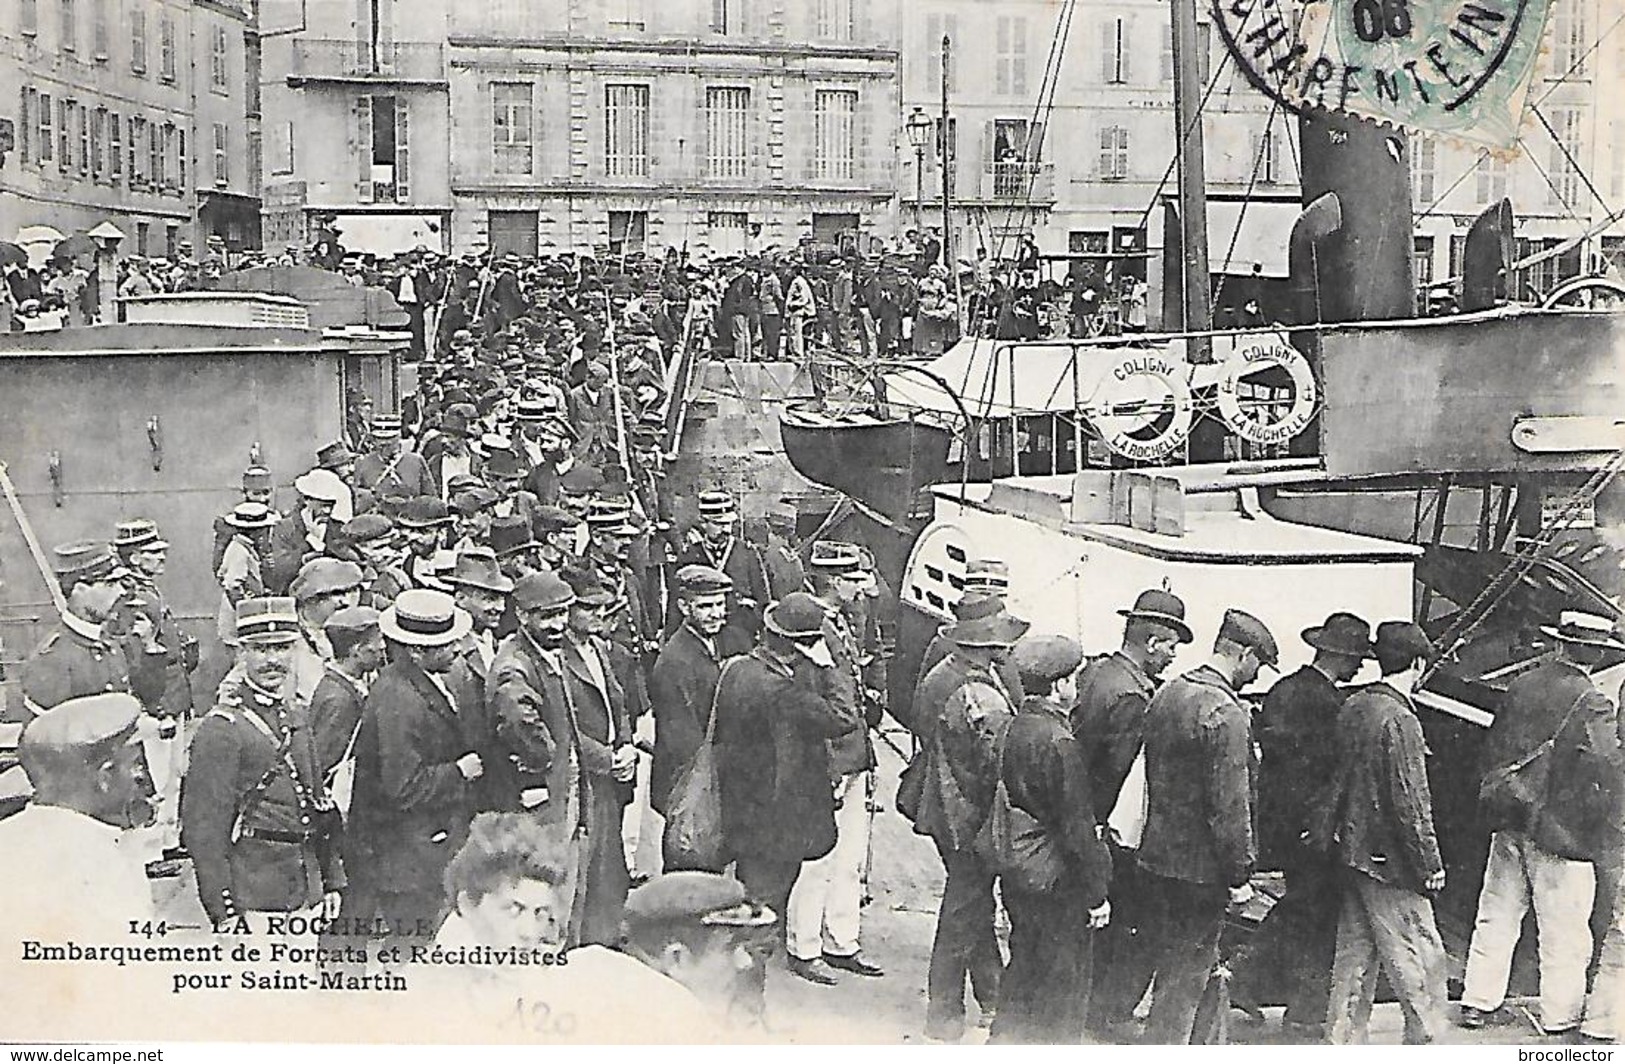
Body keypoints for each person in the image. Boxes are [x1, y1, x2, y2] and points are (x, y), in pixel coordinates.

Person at [1460, 610, 1625, 1036]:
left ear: (1561, 644)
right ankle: (1561, 1017)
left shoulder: (1521, 684)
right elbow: (1608, 763)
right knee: (1563, 928)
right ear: (1594, 651)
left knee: (1496, 912)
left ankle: (1478, 1001)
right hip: (1558, 829)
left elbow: (1496, 744)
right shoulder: (1592, 700)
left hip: (1509, 812)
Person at [1136, 608, 1277, 1045]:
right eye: (1258, 665)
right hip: (1201, 872)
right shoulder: (1227, 714)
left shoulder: (1169, 692)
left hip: (1158, 858)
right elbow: (1229, 808)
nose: (1256, 677)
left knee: (1176, 968)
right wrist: (1240, 877)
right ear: (1246, 655)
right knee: (1185, 979)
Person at [1234, 611, 1372, 1036]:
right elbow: (1326, 774)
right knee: (1316, 914)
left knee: (1303, 905)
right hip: (1314, 827)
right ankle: (1298, 1008)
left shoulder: (1283, 690)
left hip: (1282, 822)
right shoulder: (1329, 705)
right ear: (1341, 658)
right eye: (1355, 659)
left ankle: (1246, 981)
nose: (1358, 667)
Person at [1312, 620, 1449, 1044]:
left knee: (1356, 955)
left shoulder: (1355, 705)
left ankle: (1342, 1040)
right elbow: (1410, 802)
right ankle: (1428, 1039)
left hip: (1351, 852)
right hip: (1390, 862)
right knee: (1421, 955)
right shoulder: (1401, 720)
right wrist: (1430, 865)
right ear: (1419, 664)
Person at [181, 597, 344, 930]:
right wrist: (223, 907)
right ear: (241, 653)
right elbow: (205, 829)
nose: (273, 660)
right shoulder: (222, 728)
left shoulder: (296, 716)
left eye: (282, 648)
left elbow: (316, 804)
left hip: (305, 887)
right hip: (254, 892)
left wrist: (331, 880)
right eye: (260, 650)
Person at [911, 593, 1030, 1041]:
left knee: (973, 905)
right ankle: (942, 1014)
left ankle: (991, 993)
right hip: (969, 814)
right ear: (986, 642)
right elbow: (993, 761)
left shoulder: (945, 674)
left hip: (945, 806)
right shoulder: (976, 690)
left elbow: (924, 729)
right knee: (963, 911)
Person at [1073, 588, 1191, 1037]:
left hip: (1087, 822)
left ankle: (1092, 1005)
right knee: (1131, 924)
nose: (1173, 656)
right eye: (1171, 647)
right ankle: (1109, 1014)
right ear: (1152, 641)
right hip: (1110, 832)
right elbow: (1120, 777)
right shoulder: (1133, 697)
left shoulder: (1099, 672)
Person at [990, 633, 1113, 1045]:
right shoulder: (1061, 744)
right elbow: (1078, 833)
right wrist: (1097, 894)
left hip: (1020, 871)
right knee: (1063, 988)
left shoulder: (1015, 726)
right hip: (1058, 883)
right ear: (1060, 685)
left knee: (1023, 967)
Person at [343, 589, 480, 950]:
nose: (458, 649)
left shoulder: (417, 683)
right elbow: (402, 787)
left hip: (419, 848)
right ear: (417, 652)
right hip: (403, 855)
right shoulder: (398, 698)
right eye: (448, 644)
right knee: (410, 945)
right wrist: (459, 772)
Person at [713, 592, 854, 921]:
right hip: (777, 819)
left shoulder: (737, 669)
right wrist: (829, 666)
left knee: (749, 891)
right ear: (803, 645)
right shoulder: (784, 693)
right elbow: (844, 718)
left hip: (742, 807)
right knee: (765, 908)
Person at [785, 543, 884, 985]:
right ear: (835, 581)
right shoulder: (812, 631)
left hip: (853, 755)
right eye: (853, 579)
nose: (861, 586)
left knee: (848, 859)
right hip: (831, 762)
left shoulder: (840, 622)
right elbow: (812, 706)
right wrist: (831, 768)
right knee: (818, 859)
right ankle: (803, 946)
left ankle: (841, 941)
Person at [0, 693, 157, 938]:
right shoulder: (100, 866)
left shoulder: (10, 835)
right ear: (105, 776)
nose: (143, 779)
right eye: (136, 764)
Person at [558, 568, 637, 946]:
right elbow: (565, 725)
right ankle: (584, 939)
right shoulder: (559, 656)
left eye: (603, 608)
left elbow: (618, 702)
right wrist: (607, 758)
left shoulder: (599, 649)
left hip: (611, 768)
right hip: (586, 772)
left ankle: (606, 932)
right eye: (588, 608)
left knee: (610, 859)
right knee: (585, 861)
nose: (599, 615)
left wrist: (626, 744)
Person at [650, 564, 734, 869]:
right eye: (705, 606)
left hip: (701, 778)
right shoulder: (676, 661)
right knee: (688, 864)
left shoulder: (706, 645)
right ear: (684, 606)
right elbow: (683, 739)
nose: (715, 614)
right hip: (687, 783)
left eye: (719, 605)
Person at [11, 542, 135, 723]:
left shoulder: (109, 644)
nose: (121, 591)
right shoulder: (51, 660)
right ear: (79, 590)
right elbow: (45, 742)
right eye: (110, 584)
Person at [670, 489, 769, 649]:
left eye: (728, 523)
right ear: (703, 522)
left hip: (741, 637)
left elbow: (763, 600)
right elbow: (675, 605)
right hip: (703, 639)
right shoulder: (690, 555)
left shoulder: (747, 553)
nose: (726, 530)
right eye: (718, 524)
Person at [308, 605, 384, 795]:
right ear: (357, 651)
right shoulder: (339, 700)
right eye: (377, 643)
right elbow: (323, 764)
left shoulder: (349, 684)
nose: (383, 648)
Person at [216, 503, 279, 651]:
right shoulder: (239, 552)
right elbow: (232, 586)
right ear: (254, 532)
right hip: (238, 621)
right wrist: (248, 610)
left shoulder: (247, 548)